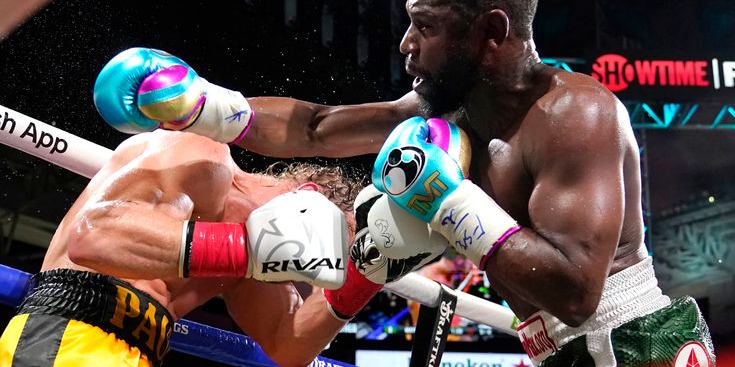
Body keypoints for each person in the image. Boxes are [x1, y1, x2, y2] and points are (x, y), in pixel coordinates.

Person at [92, 0, 715, 366]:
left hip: (633, 343)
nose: (406, 43)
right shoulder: (447, 109)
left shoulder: (577, 115)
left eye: (428, 25)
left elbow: (577, 291)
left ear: (492, 32)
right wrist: (201, 106)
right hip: (559, 348)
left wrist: (446, 201)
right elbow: (315, 128)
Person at [0, 129, 426, 367]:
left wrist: (365, 275)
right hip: (71, 329)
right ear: (308, 197)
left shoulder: (251, 263)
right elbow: (93, 236)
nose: (303, 270)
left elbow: (286, 344)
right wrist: (246, 246)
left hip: (139, 351)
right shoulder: (203, 157)